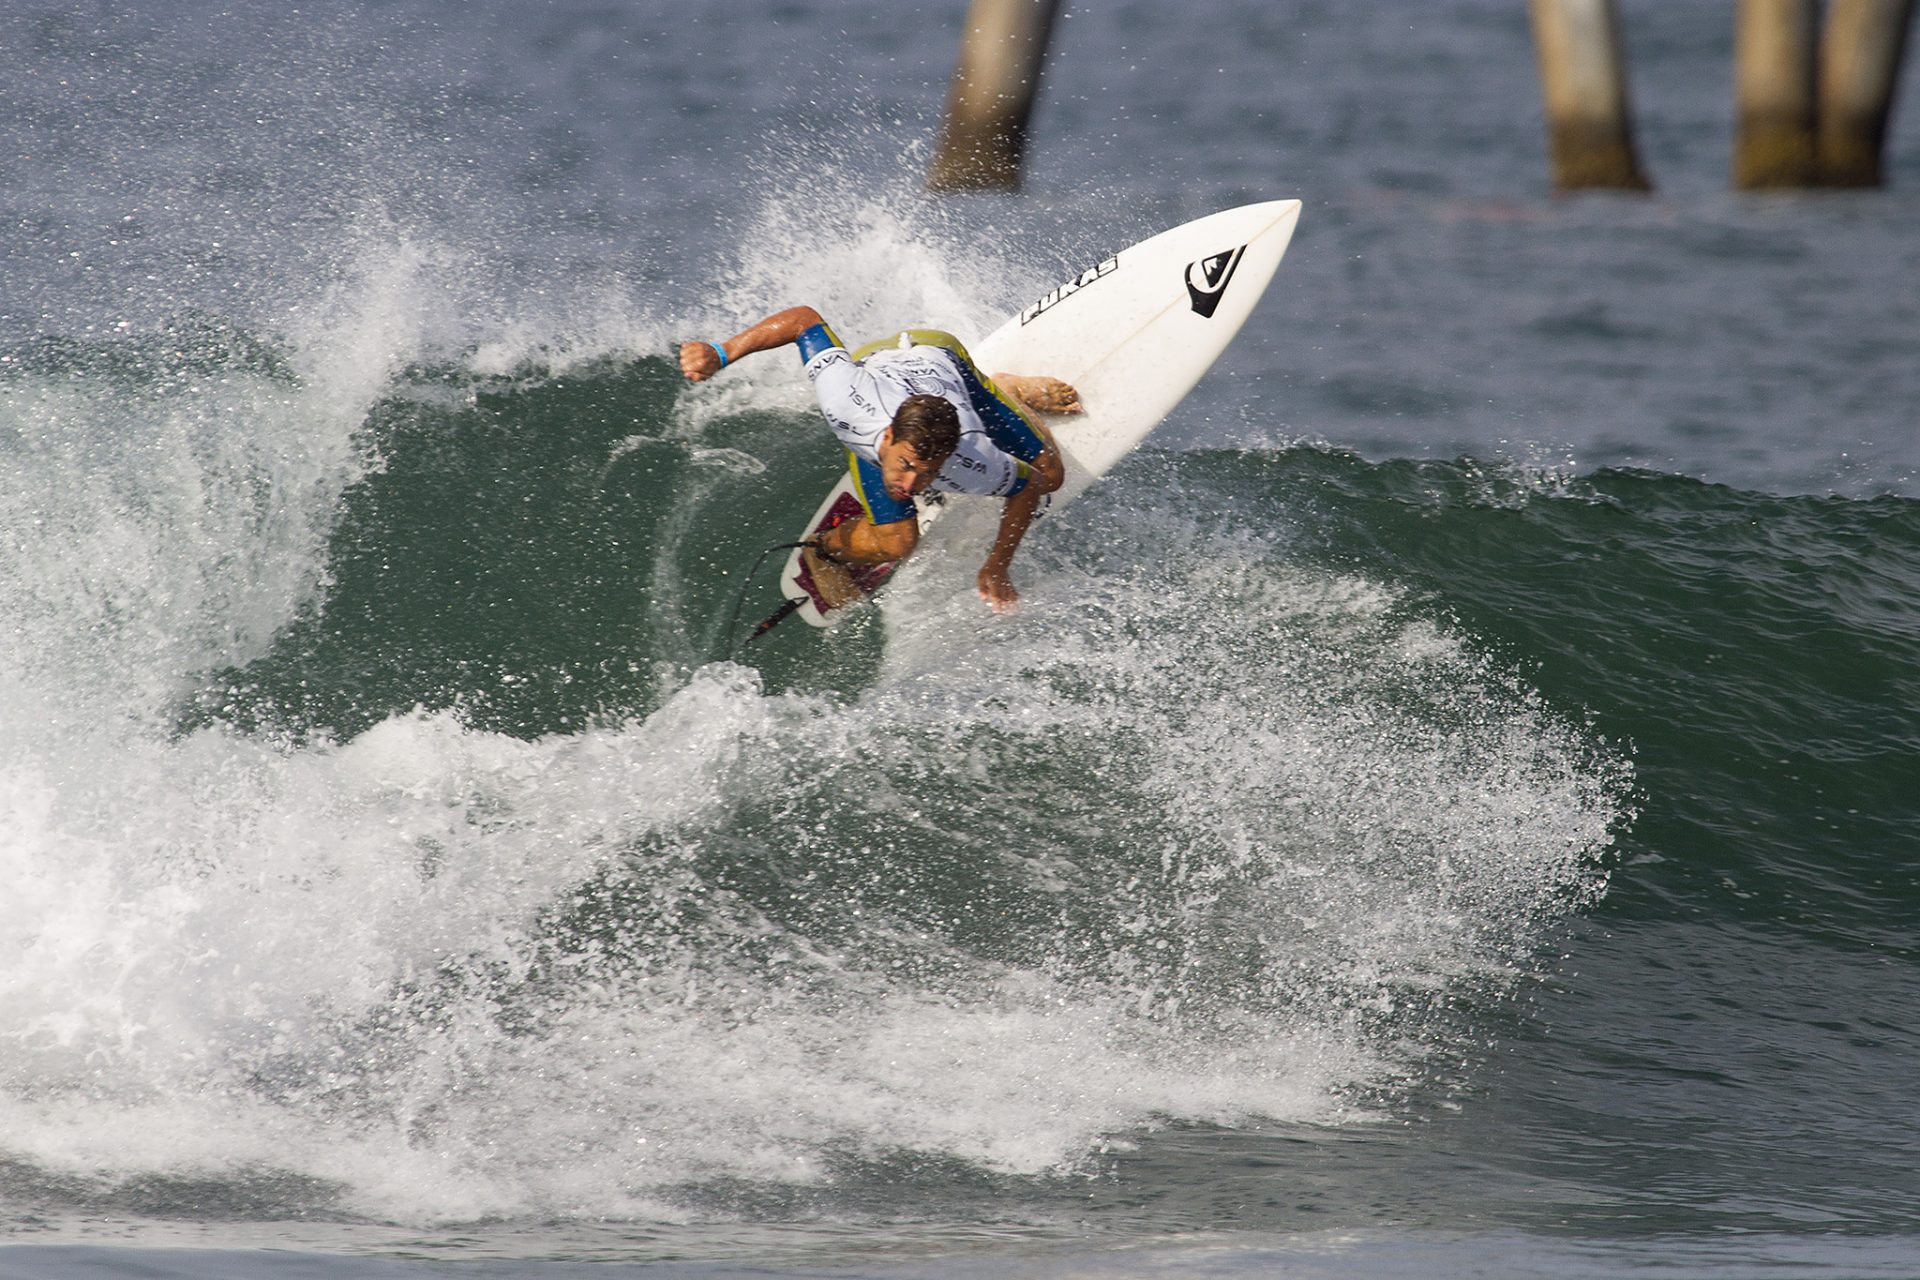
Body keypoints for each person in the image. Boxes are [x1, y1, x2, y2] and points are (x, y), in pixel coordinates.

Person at [679, 306, 1081, 612]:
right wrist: (721, 352)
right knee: (898, 542)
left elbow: (1028, 486)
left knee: (1052, 474)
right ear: (889, 437)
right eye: (905, 465)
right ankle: (822, 551)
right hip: (893, 358)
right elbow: (803, 320)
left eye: (927, 475)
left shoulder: (973, 457)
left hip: (943, 363)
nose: (908, 486)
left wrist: (997, 564)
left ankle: (1005, 388)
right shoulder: (848, 401)